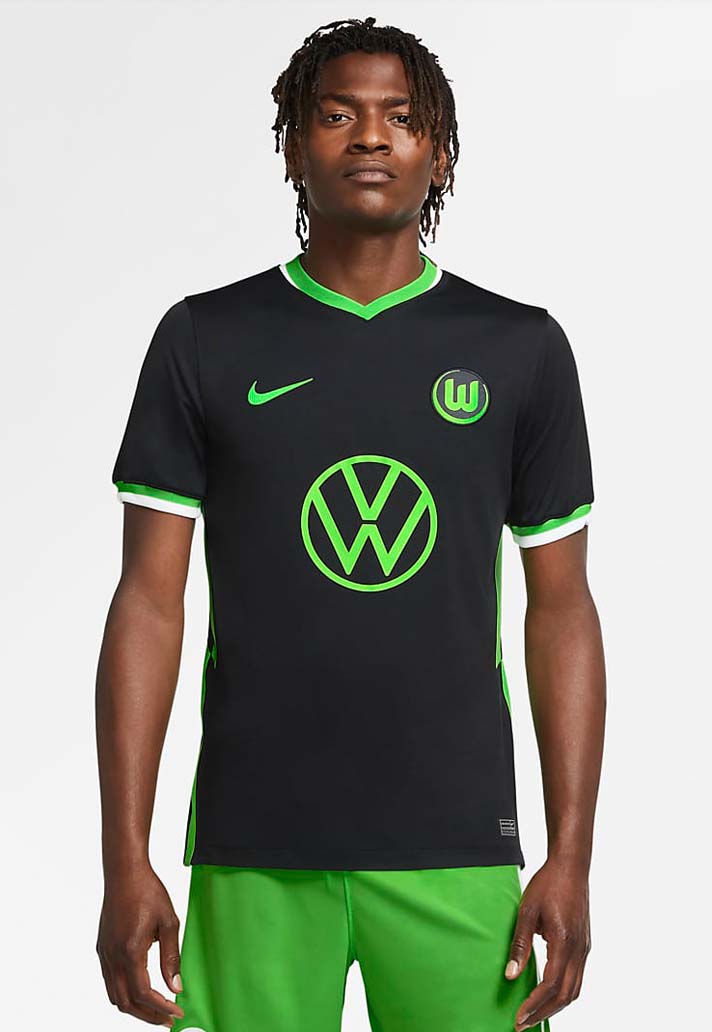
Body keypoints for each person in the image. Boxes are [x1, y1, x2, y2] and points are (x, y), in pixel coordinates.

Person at [95, 15, 606, 1032]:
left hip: (460, 848)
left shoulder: (519, 348)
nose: (370, 136)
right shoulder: (205, 339)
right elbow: (148, 603)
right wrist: (124, 860)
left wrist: (571, 856)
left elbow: (561, 609)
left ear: (439, 152)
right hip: (253, 846)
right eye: (336, 115)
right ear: (292, 145)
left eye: (400, 118)